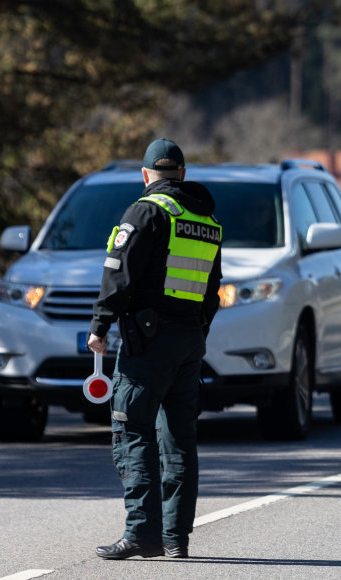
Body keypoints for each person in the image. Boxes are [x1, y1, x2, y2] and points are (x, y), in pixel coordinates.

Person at [88, 138, 222, 560]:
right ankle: (175, 538)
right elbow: (212, 292)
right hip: (189, 342)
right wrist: (196, 331)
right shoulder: (206, 221)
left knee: (132, 431)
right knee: (180, 439)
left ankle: (142, 533)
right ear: (182, 174)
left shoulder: (145, 211)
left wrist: (100, 326)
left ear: (145, 175)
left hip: (148, 343)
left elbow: (118, 274)